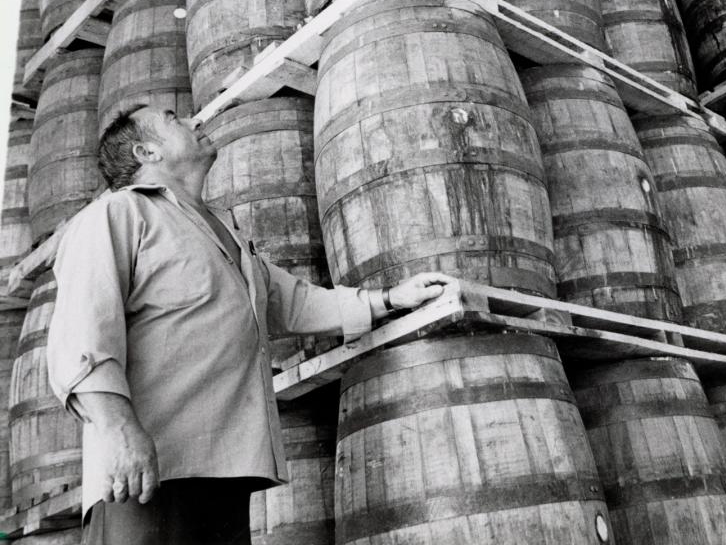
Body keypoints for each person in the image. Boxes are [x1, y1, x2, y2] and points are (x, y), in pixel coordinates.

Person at [46, 103, 454, 545]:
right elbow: (81, 335)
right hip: (149, 474)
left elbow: (289, 301)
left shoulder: (224, 231)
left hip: (225, 472)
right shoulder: (116, 216)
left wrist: (390, 299)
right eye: (173, 120)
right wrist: (118, 431)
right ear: (147, 152)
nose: (193, 121)